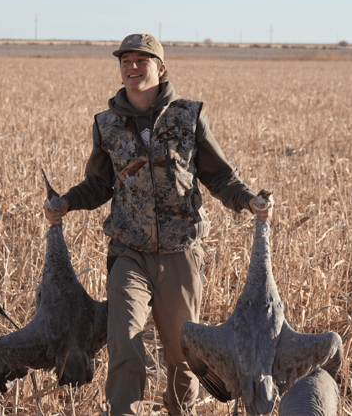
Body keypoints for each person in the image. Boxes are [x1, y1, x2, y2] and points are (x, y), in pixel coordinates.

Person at [45, 33, 272, 416]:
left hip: (181, 251)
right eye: (126, 61)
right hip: (128, 252)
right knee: (126, 344)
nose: (132, 67)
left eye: (141, 60)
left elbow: (219, 177)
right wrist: (65, 203)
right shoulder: (107, 124)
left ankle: (181, 411)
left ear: (160, 67)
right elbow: (99, 184)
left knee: (182, 354)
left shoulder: (189, 116)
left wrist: (250, 200)